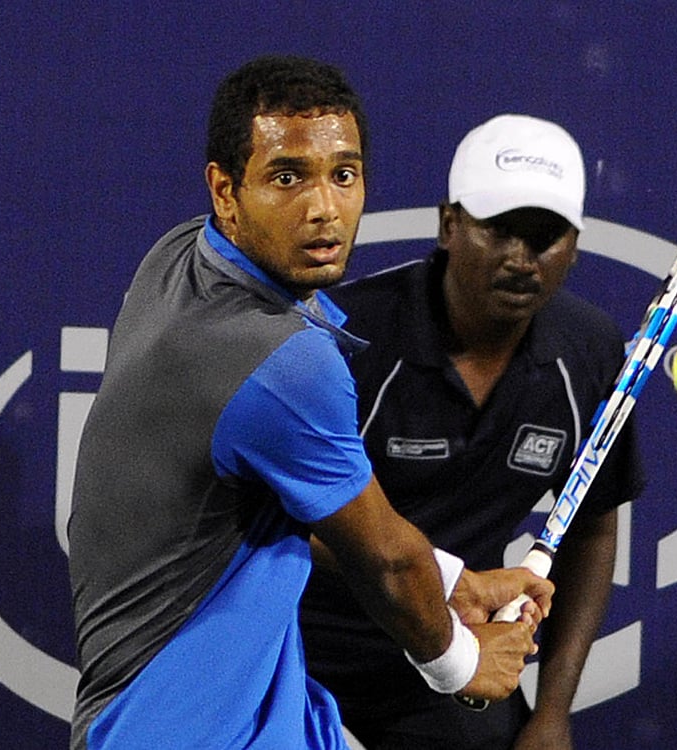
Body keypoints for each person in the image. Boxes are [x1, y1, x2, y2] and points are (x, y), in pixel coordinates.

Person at [67, 59, 554, 750]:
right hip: (187, 730)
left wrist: (453, 581)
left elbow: (295, 512)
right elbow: (385, 561)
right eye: (288, 177)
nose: (325, 207)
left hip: (233, 713)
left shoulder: (177, 259)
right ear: (225, 189)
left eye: (344, 175)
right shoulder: (282, 362)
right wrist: (464, 664)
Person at [301, 114, 646, 749]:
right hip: (297, 651)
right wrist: (445, 580)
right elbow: (282, 515)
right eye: (499, 230)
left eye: (545, 236)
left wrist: (551, 713)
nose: (521, 258)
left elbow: (594, 526)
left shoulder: (590, 352)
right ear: (449, 225)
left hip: (454, 658)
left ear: (574, 243)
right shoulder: (345, 338)